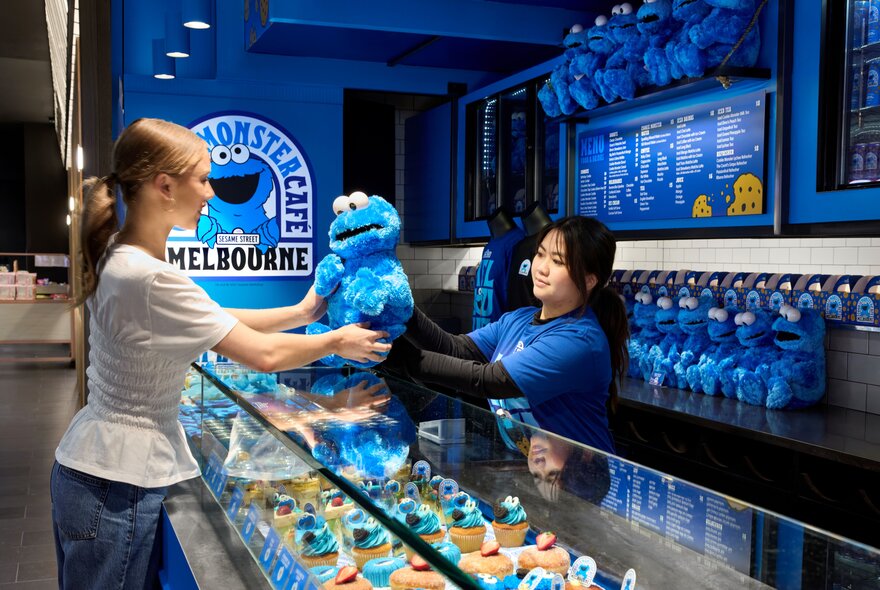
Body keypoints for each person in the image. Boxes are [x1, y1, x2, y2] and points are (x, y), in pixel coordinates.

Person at [51, 118, 391, 589]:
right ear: (164, 186)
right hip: (115, 483)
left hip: (94, 470)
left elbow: (212, 315)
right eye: (204, 178)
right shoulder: (148, 276)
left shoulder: (123, 255)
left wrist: (304, 309)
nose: (211, 193)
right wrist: (336, 340)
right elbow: (264, 355)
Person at [384, 215, 628, 455]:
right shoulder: (518, 319)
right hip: (536, 473)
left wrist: (390, 354)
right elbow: (454, 348)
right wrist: (402, 308)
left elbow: (488, 380)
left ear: (589, 280)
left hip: (582, 483)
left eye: (558, 261)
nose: (541, 267)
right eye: (540, 254)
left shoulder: (579, 340)